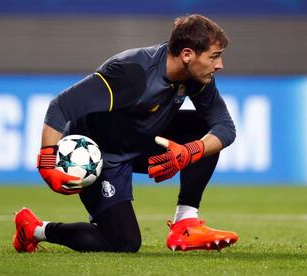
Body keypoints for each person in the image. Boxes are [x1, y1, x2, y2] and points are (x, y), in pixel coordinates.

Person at [13, 14, 238, 253]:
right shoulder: (131, 72)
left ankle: (185, 224)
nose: (219, 65)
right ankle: (35, 229)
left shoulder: (196, 77)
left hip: (142, 140)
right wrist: (48, 163)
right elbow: (60, 106)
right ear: (187, 55)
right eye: (214, 56)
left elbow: (224, 126)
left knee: (203, 131)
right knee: (124, 243)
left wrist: (191, 150)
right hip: (100, 156)